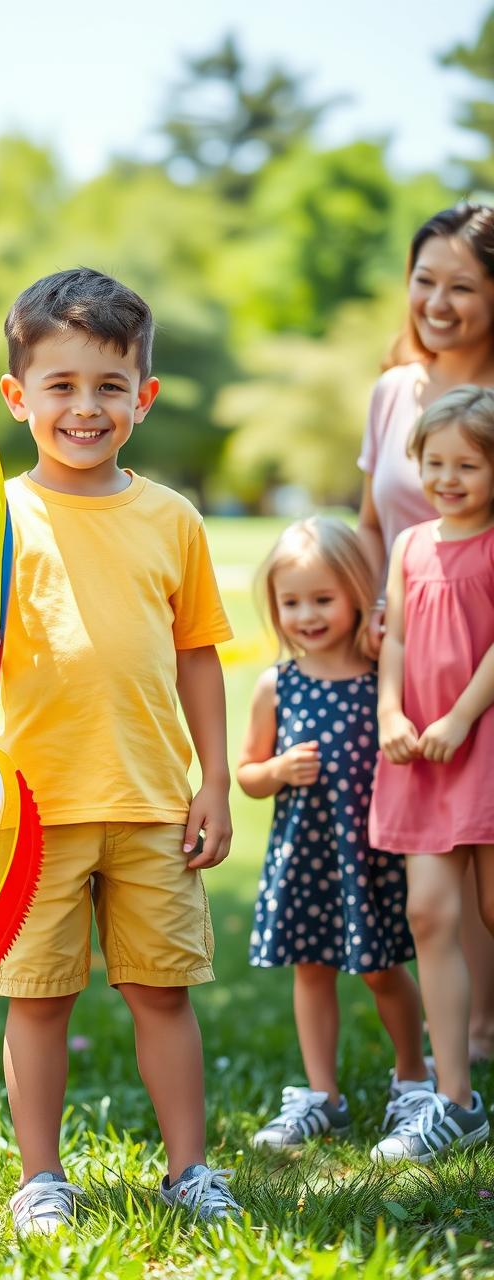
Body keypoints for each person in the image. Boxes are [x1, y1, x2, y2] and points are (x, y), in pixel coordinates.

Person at [0, 269, 238, 1233]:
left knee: (162, 992)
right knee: (37, 1000)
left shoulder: (171, 520)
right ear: (17, 397)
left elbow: (197, 656)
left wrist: (216, 780)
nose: (85, 407)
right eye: (60, 386)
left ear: (143, 399)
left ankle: (189, 1169)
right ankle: (41, 1179)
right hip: (32, 808)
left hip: (152, 799)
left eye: (110, 386)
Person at [237, 517, 429, 1152]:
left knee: (383, 971)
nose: (306, 615)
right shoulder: (278, 685)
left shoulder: (384, 679)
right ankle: (323, 1096)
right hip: (307, 855)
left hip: (372, 853)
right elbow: (247, 773)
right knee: (311, 970)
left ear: (356, 595)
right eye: (291, 602)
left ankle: (413, 1077)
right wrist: (276, 770)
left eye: (322, 599)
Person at [358, 202, 494, 1063]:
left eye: (462, 286)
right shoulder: (392, 393)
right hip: (407, 660)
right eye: (423, 281)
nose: (436, 302)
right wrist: (376, 602)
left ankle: (482, 1029)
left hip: (484, 651)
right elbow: (375, 517)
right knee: (440, 857)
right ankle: (466, 1039)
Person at [369, 386, 494, 1162]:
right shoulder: (411, 545)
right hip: (422, 752)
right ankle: (454, 1099)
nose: (448, 478)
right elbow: (398, 644)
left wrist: (459, 717)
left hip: (479, 738)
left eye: (469, 465)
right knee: (430, 917)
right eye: (435, 463)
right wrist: (391, 713)